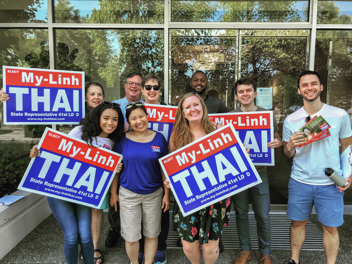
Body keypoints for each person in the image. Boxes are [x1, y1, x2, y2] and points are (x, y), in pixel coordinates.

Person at [29, 102, 125, 264]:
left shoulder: (113, 142)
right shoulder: (79, 131)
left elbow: (106, 170)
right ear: (98, 118)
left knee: (86, 238)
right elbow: (55, 150)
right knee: (72, 237)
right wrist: (36, 152)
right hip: (60, 192)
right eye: (106, 118)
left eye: (115, 119)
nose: (110, 123)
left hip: (83, 195)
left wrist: (114, 170)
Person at [283, 70, 352, 264]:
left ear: (321, 87)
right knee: (298, 223)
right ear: (299, 90)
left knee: (330, 227)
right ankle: (293, 260)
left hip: (330, 182)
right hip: (299, 180)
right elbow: (288, 154)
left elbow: (348, 147)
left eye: (313, 84)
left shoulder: (339, 115)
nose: (309, 88)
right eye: (305, 85)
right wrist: (289, 145)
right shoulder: (291, 120)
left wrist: (348, 176)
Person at [166, 92, 232, 264]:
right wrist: (170, 180)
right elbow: (173, 168)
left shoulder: (218, 130)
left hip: (215, 198)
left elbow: (230, 162)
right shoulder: (177, 137)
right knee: (188, 246)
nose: (192, 109)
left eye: (196, 104)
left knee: (210, 247)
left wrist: (241, 155)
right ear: (182, 113)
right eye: (187, 107)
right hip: (188, 197)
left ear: (202, 107)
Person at [110, 102, 169, 264]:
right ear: (128, 121)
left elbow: (165, 168)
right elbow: (116, 168)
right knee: (131, 237)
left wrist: (166, 194)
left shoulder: (159, 138)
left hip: (154, 194)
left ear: (147, 116)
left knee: (152, 233)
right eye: (133, 118)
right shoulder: (122, 140)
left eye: (141, 116)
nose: (138, 121)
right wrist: (114, 194)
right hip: (128, 194)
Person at [230, 78, 282, 264]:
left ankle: (264, 252)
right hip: (238, 173)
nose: (245, 94)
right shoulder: (230, 117)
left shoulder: (266, 115)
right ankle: (245, 250)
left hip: (260, 172)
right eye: (241, 91)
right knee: (241, 213)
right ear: (236, 95)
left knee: (263, 214)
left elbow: (276, 139)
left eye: (248, 90)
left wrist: (278, 142)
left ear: (255, 93)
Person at [106, 72, 144, 248]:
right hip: (116, 153)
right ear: (125, 85)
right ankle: (115, 228)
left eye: (138, 84)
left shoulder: (148, 107)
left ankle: (139, 231)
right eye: (131, 83)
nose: (134, 86)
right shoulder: (114, 106)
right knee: (115, 194)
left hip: (139, 156)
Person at [140, 74, 169, 264]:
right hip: (143, 164)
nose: (152, 91)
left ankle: (161, 248)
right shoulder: (135, 110)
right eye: (148, 87)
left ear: (160, 90)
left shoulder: (171, 111)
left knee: (163, 208)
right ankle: (143, 247)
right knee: (141, 209)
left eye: (155, 87)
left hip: (166, 163)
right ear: (142, 89)